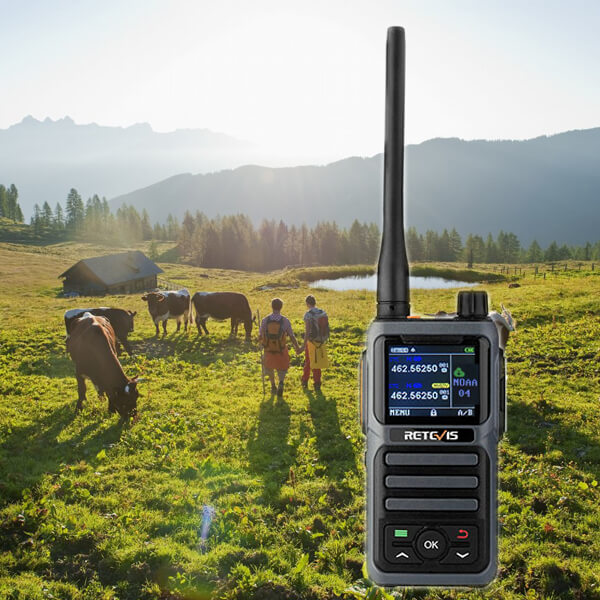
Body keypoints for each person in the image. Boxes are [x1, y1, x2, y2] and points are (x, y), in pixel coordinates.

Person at [259, 298, 301, 397]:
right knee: (282, 367)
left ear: (272, 307)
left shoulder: (265, 320)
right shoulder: (285, 321)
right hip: (281, 349)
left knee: (269, 367)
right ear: (281, 307)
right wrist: (297, 347)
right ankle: (281, 382)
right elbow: (291, 336)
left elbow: (260, 335)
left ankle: (273, 386)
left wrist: (261, 344)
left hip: (268, 349)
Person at [302, 294, 330, 391]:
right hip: (321, 341)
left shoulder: (308, 314)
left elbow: (307, 330)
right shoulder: (323, 312)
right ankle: (317, 383)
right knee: (317, 362)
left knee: (309, 362)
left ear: (307, 303)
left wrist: (303, 343)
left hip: (311, 342)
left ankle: (305, 381)